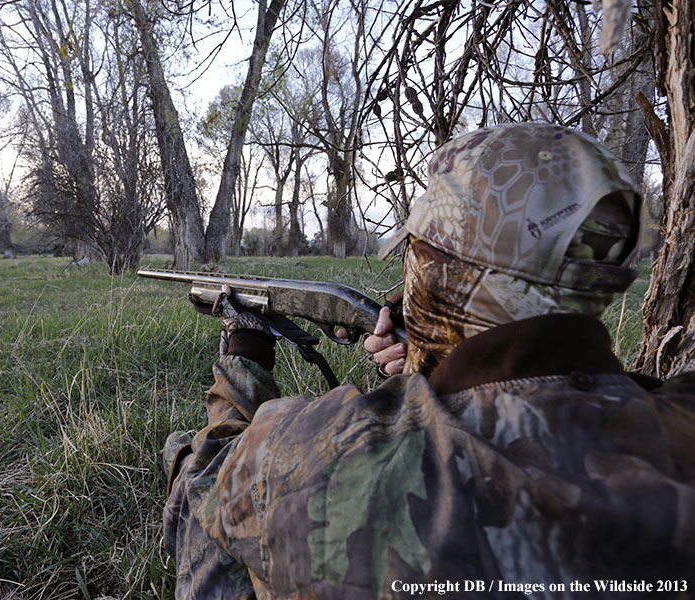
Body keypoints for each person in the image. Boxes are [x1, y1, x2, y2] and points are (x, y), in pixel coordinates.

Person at [162, 123, 695, 599]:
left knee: (185, 466)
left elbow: (203, 488)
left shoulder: (314, 448)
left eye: (415, 254)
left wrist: (244, 346)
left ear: (435, 273)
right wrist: (435, 364)